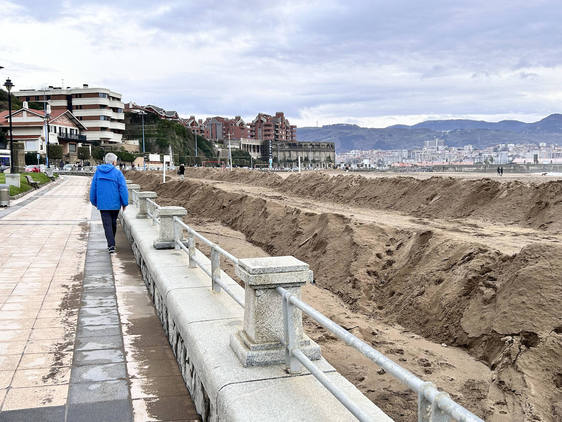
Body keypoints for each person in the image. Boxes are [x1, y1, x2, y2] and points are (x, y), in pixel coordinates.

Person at [89, 153, 128, 254]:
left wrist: (93, 201)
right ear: (114, 162)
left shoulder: (98, 172)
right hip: (115, 204)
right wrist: (125, 203)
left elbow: (93, 187)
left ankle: (111, 244)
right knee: (113, 223)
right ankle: (111, 244)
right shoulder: (117, 173)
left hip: (103, 204)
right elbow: (123, 188)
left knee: (107, 224)